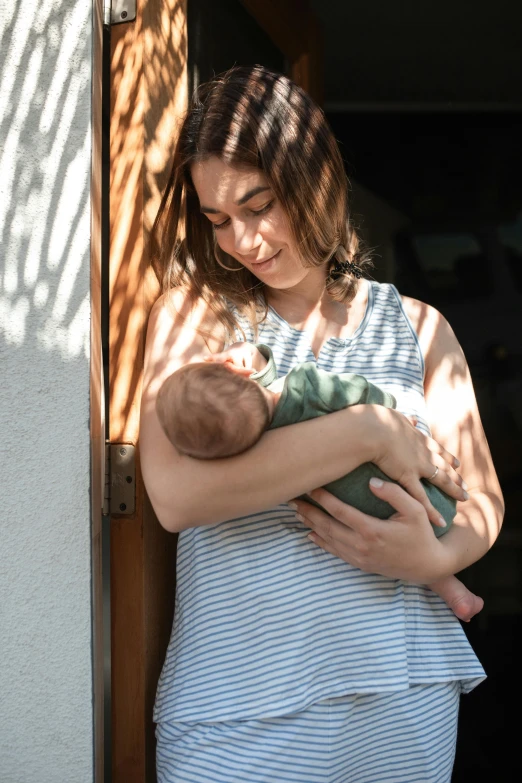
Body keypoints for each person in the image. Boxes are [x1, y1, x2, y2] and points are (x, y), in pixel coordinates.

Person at [140, 65, 504, 783]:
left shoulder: (421, 328)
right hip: (235, 712)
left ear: (317, 176)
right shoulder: (197, 316)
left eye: (259, 204)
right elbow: (175, 495)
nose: (242, 239)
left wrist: (434, 559)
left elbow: (484, 502)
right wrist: (366, 431)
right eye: (217, 219)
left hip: (404, 697)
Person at [155, 341, 484, 624]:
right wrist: (389, 412)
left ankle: (454, 591)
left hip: (379, 525)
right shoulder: (304, 386)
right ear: (241, 372)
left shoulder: (265, 456)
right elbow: (355, 389)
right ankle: (447, 579)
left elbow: (254, 408)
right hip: (431, 501)